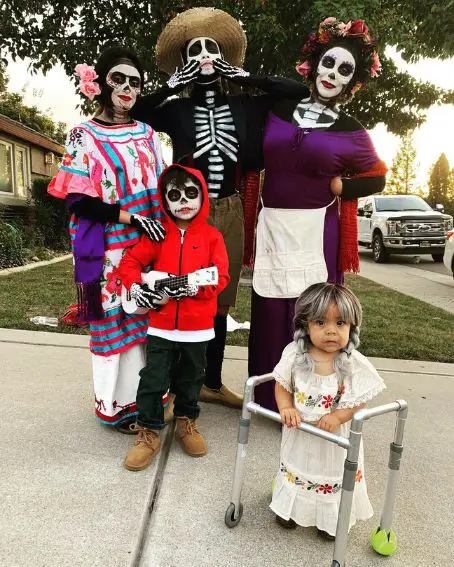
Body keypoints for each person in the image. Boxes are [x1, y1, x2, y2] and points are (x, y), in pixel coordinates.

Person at [245, 18, 388, 411]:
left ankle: (313, 398)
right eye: (329, 63)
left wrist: (345, 187)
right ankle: (269, 399)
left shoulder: (351, 130)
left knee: (312, 314)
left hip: (317, 233)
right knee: (272, 310)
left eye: (345, 70)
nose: (334, 74)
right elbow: (263, 96)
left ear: (352, 82)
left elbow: (377, 176)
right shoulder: (278, 110)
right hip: (272, 226)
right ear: (314, 63)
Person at [132, 7, 265, 409]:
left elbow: (290, 91)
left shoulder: (243, 105)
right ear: (186, 62)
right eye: (195, 50)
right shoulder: (177, 109)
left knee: (218, 297)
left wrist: (242, 75)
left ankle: (211, 379)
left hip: (228, 208)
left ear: (223, 56)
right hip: (185, 211)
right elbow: (139, 110)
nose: (204, 55)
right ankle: (175, 387)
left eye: (211, 48)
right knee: (178, 293)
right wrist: (172, 84)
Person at [48, 46, 166, 432]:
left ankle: (150, 400)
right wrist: (130, 216)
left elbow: (162, 187)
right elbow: (79, 201)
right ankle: (118, 409)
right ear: (100, 82)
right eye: (119, 79)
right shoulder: (83, 136)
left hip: (148, 247)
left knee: (146, 323)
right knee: (116, 326)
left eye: (135, 82)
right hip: (107, 252)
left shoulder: (147, 133)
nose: (127, 89)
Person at [118, 164, 229, 471]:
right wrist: (137, 288)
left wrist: (195, 288)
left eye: (191, 193)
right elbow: (129, 263)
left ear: (202, 195)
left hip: (198, 328)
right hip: (161, 327)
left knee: (192, 378)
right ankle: (149, 431)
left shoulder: (212, 237)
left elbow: (220, 277)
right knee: (153, 379)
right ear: (164, 200)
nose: (183, 201)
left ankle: (185, 422)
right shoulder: (158, 235)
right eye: (175, 194)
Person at [270, 282, 385, 539]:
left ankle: (331, 519)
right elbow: (282, 385)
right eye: (321, 323)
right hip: (301, 433)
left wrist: (337, 416)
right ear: (306, 325)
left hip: (335, 440)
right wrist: (286, 407)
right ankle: (290, 507)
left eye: (340, 323)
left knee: (331, 475)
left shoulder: (353, 363)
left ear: (351, 327)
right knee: (296, 468)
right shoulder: (295, 355)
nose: (331, 331)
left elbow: (358, 402)